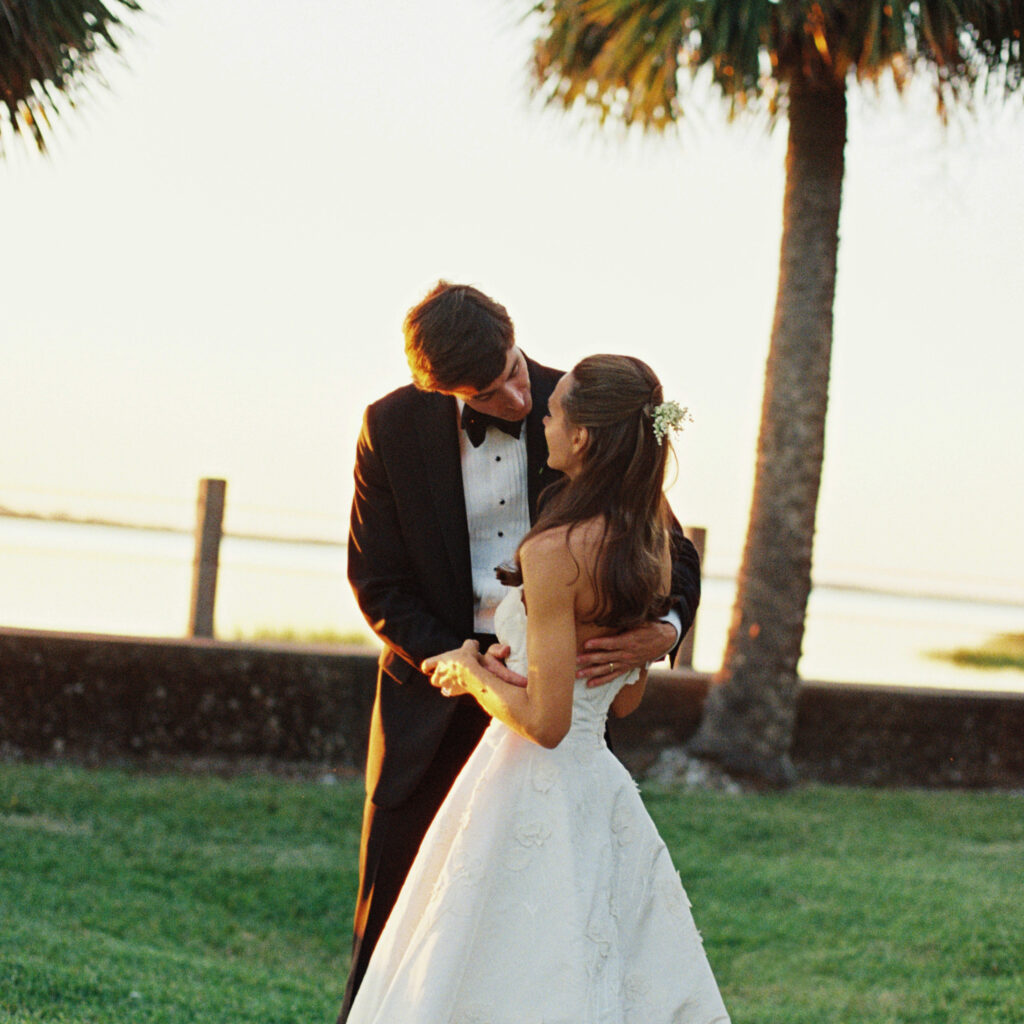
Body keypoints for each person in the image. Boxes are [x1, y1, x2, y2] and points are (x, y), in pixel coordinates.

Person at [339, 282, 701, 1020]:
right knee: (397, 933)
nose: (516, 396)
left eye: (512, 368)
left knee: (548, 939)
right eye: (489, 388)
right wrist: (461, 663)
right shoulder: (391, 427)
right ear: (435, 387)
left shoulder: (585, 411)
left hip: (553, 708)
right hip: (432, 706)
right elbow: (377, 580)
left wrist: (663, 632)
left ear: (514, 333)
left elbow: (672, 552)